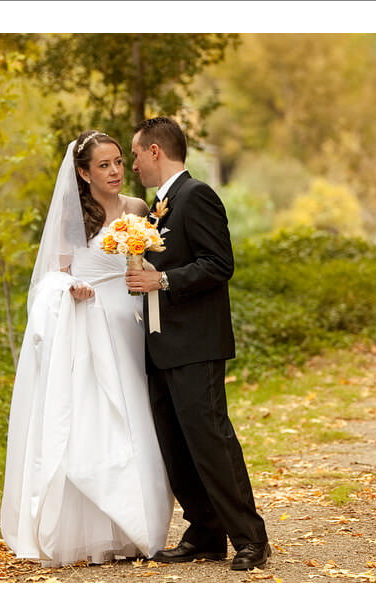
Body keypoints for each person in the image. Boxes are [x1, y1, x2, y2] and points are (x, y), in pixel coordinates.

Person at [0, 130, 173, 567]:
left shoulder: (137, 209)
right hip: (91, 323)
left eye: (118, 161)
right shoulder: (72, 215)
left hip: (132, 324)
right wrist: (71, 286)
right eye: (103, 165)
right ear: (83, 172)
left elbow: (149, 261)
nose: (115, 171)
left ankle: (138, 527)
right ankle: (95, 528)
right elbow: (50, 278)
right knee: (97, 421)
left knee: (137, 418)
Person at [125, 117, 270, 571]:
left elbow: (218, 264)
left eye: (134, 154)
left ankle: (250, 538)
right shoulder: (157, 207)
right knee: (176, 445)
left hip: (195, 343)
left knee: (210, 441)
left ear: (155, 151)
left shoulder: (197, 195)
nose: (132, 165)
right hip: (160, 344)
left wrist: (162, 279)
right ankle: (205, 534)